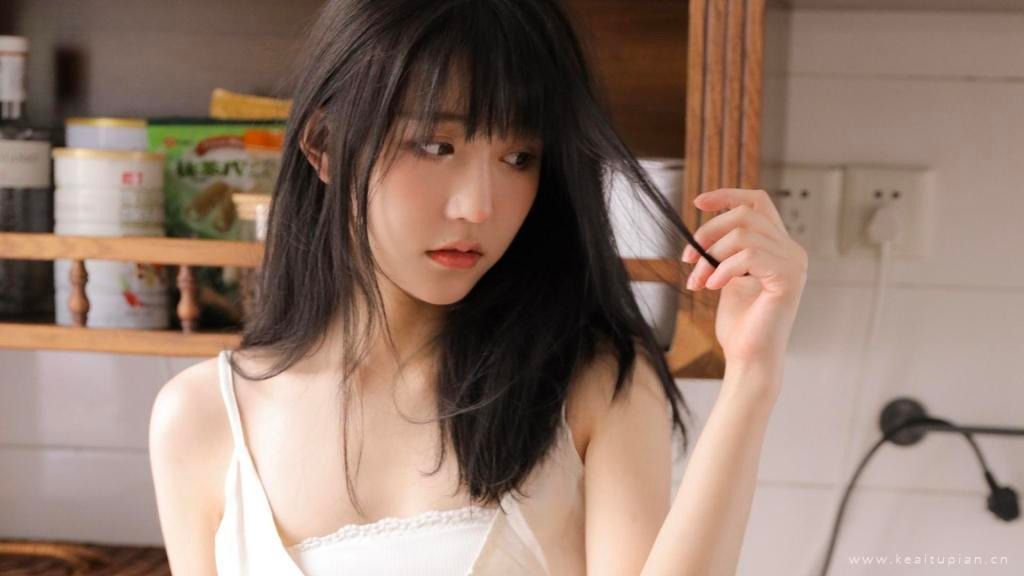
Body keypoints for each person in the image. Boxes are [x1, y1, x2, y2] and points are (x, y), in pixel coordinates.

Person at [148, 0, 807, 574]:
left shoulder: (590, 387)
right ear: (324, 144)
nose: (479, 206)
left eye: (518, 157)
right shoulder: (201, 420)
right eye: (436, 146)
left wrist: (752, 377)